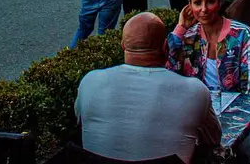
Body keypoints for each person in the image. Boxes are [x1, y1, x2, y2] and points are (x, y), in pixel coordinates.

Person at [75, 12, 221, 163]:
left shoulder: (90, 81)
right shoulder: (195, 91)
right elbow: (213, 139)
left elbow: (80, 123)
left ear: (123, 46)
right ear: (165, 46)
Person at [167, 0, 250, 163]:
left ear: (220, 2)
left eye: (210, 1)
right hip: (202, 119)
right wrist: (180, 28)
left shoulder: (242, 34)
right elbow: (171, 73)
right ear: (189, 6)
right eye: (197, 3)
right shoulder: (189, 37)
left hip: (246, 120)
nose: (204, 9)